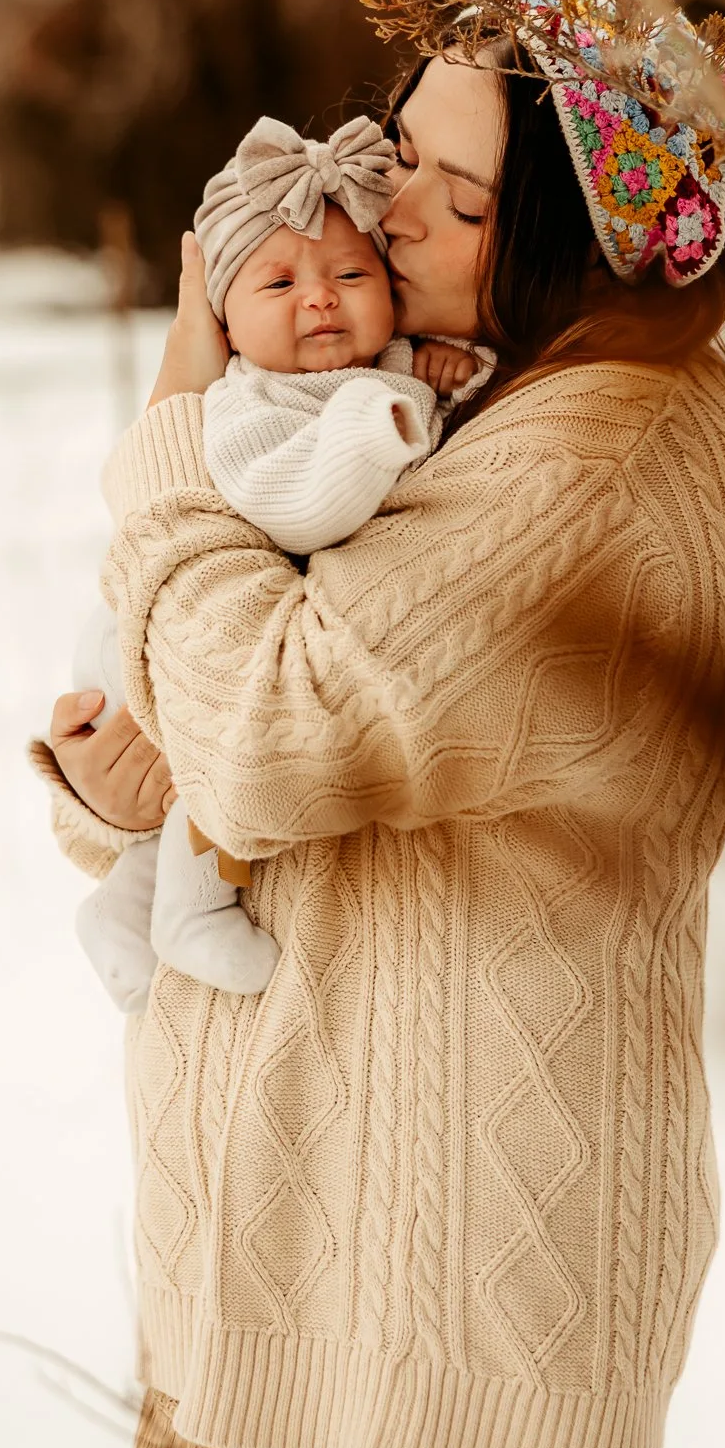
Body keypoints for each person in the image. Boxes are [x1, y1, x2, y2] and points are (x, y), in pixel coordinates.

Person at [31, 0, 725, 1448]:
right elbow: (318, 758)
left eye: (458, 199)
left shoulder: (593, 455)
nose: (390, 226)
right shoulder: (484, 406)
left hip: (436, 1348)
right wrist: (135, 799)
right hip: (308, 1313)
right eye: (394, 170)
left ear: (582, 233)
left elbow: (273, 724)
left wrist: (176, 426)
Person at [70, 110, 491, 1011]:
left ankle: (124, 908)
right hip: (147, 631)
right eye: (278, 283)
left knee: (200, 757)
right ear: (219, 319)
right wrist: (374, 426)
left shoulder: (371, 371)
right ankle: (186, 911)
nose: (321, 299)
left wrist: (430, 369)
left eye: (350, 272)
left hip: (200, 621)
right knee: (202, 764)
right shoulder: (248, 406)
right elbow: (293, 505)